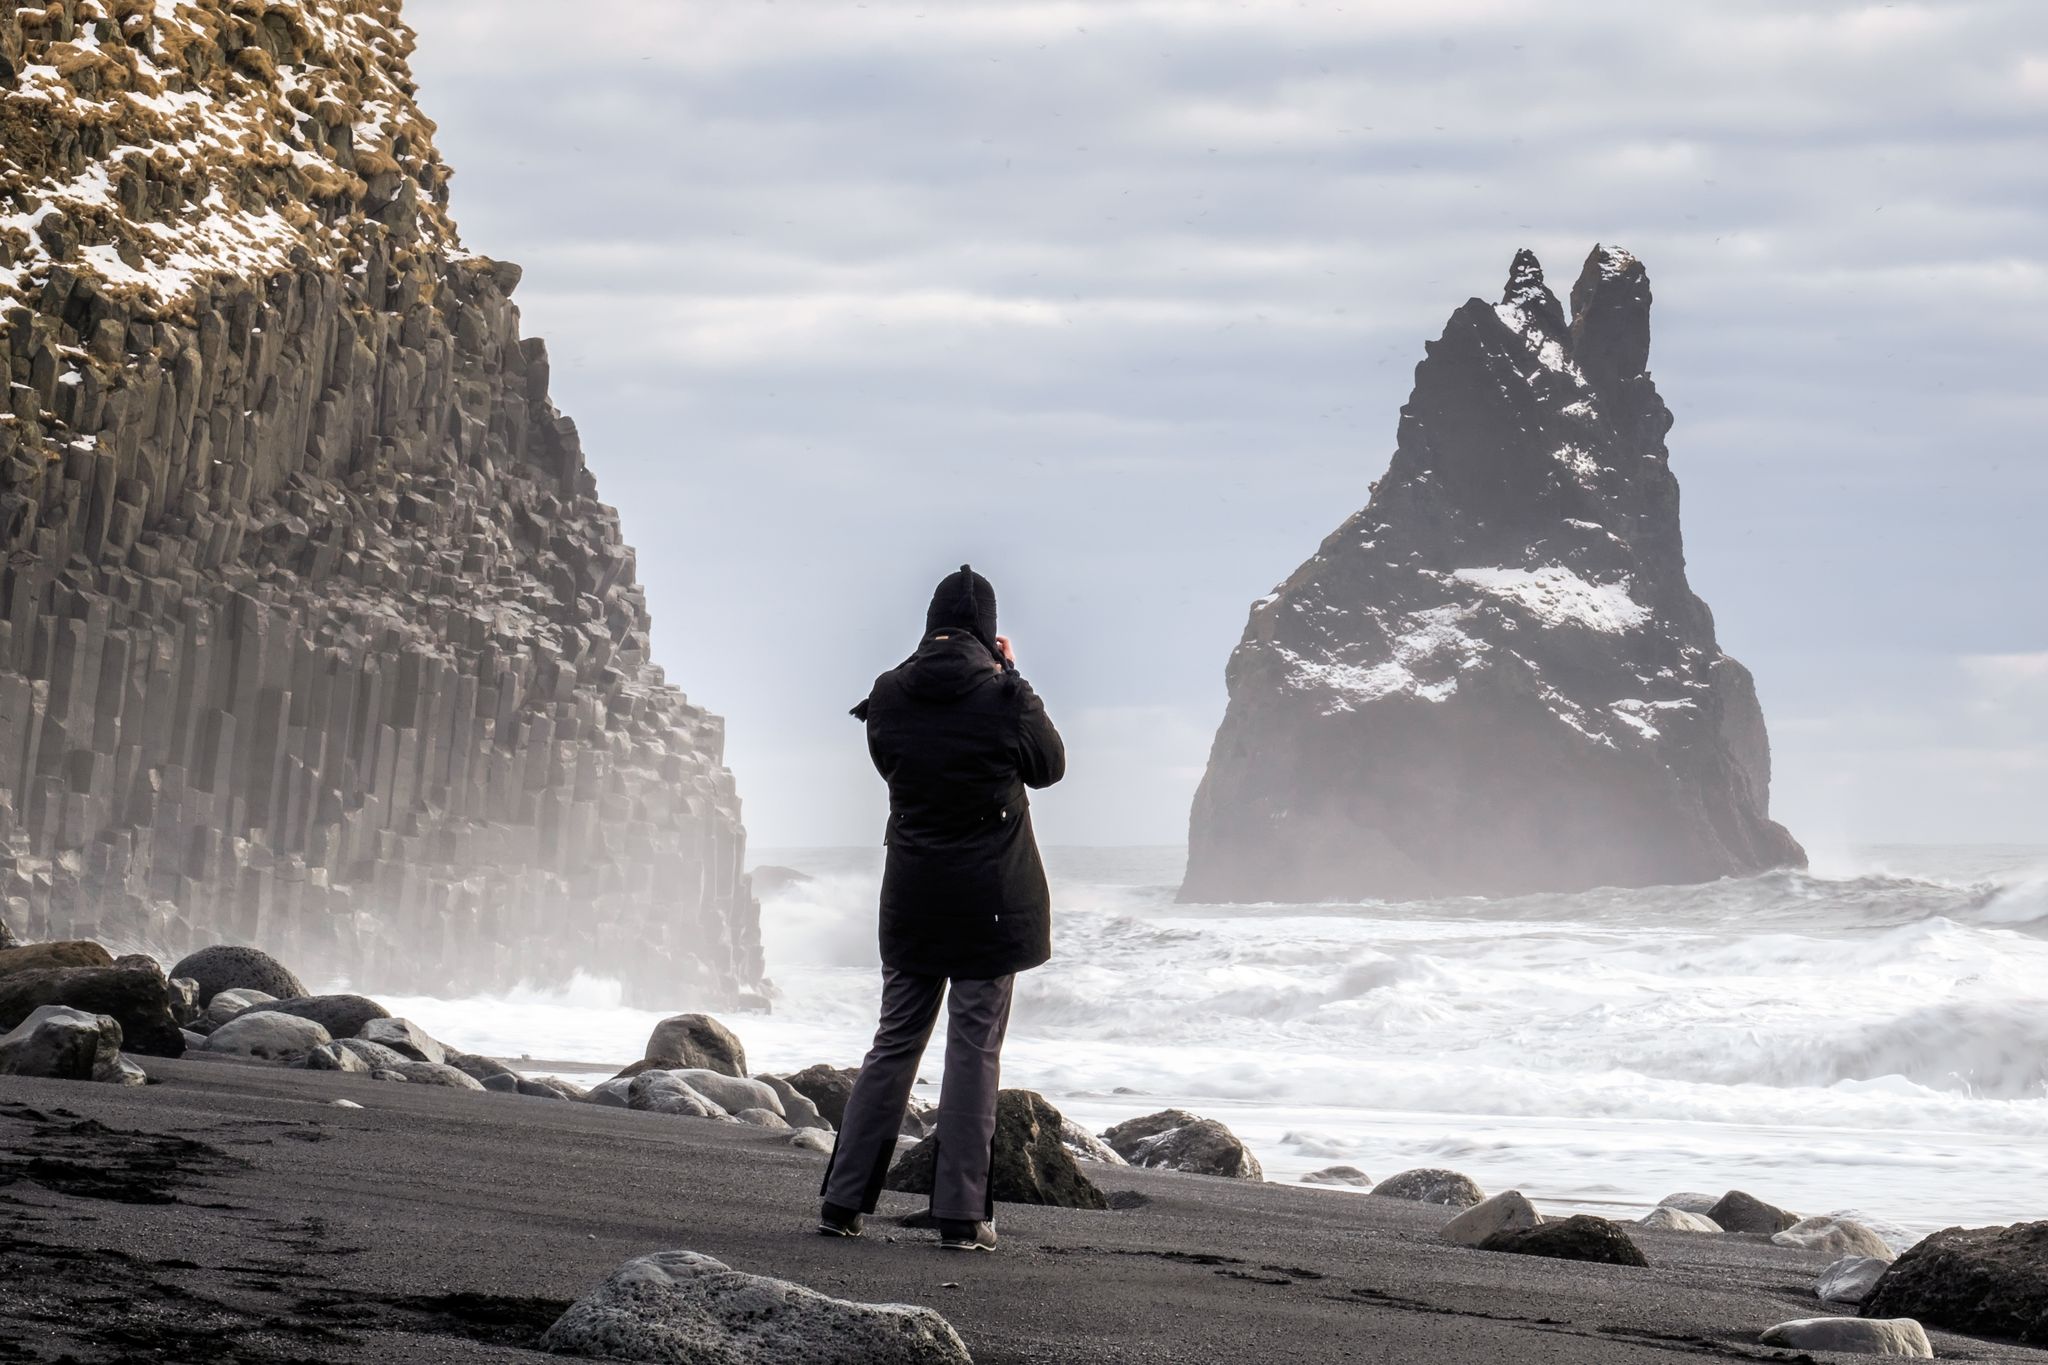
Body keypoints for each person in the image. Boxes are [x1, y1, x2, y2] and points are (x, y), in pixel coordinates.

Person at [817, 564, 1066, 1253]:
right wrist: (1014, 676)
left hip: (914, 895)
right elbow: (1049, 766)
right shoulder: (1004, 695)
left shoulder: (888, 692)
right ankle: (960, 1215)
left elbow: (890, 762)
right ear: (990, 631)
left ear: (929, 623)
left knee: (894, 1040)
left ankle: (842, 1201)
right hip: (992, 900)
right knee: (972, 1046)